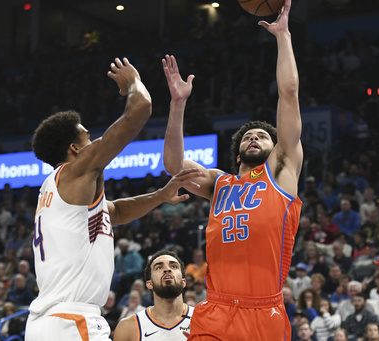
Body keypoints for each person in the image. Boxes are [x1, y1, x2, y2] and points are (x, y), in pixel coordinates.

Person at [25, 57, 200, 341]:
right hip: (72, 321)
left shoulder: (59, 193)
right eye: (87, 137)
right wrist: (133, 83)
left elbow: (115, 212)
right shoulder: (74, 172)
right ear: (74, 149)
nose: (94, 142)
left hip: (52, 320)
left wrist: (159, 196)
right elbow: (140, 109)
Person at [162, 1, 302, 339]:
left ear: (275, 148)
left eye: (263, 136)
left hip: (263, 310)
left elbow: (289, 92)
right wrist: (178, 104)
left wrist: (282, 36)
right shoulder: (219, 182)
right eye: (249, 136)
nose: (255, 137)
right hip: (216, 308)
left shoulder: (281, 171)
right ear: (237, 151)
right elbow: (173, 165)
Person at [114, 250, 193, 340]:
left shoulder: (202, 320)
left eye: (174, 266)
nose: (167, 269)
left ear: (183, 282)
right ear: (149, 284)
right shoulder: (128, 327)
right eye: (159, 267)